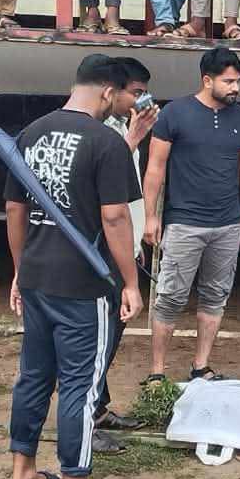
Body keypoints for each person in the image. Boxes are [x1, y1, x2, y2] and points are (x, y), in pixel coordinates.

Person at [3, 55, 142, 479]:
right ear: (108, 91)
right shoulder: (106, 142)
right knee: (81, 387)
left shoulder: (31, 134)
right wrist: (130, 282)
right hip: (85, 285)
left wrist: (20, 269)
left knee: (34, 376)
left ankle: (22, 475)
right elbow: (115, 217)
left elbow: (15, 210)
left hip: (37, 276)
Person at [142, 48, 240, 383]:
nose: (236, 88)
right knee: (170, 297)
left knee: (215, 296)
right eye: (229, 81)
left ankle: (201, 366)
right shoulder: (175, 113)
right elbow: (155, 168)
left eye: (238, 81)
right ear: (207, 80)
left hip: (228, 223)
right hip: (183, 223)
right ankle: (157, 372)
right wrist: (150, 216)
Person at [89, 57, 158, 453]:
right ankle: (86, 423)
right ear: (113, 91)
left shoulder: (121, 127)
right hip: (103, 254)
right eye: (135, 93)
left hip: (123, 249)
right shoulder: (99, 132)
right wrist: (133, 137)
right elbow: (101, 193)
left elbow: (129, 193)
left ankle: (98, 408)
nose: (140, 101)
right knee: (98, 339)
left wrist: (135, 246)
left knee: (112, 335)